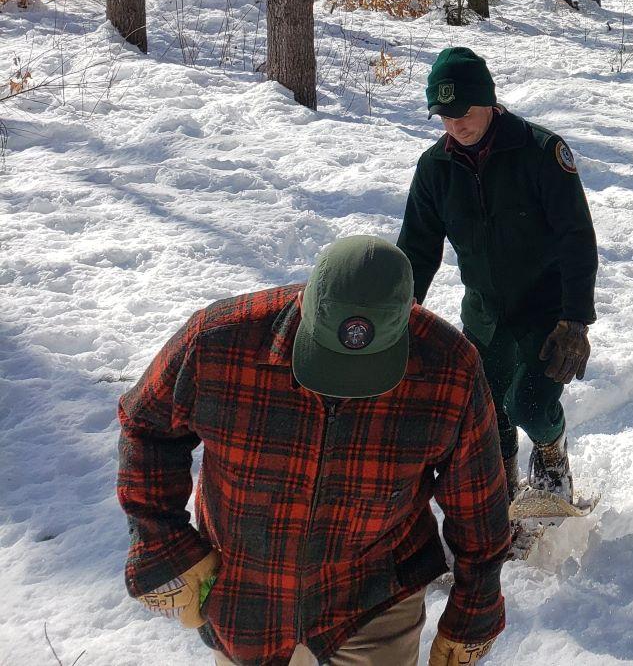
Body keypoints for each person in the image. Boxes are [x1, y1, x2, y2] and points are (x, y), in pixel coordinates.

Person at [118, 236, 511, 666]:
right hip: (245, 591)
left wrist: (476, 610)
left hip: (374, 593)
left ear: (406, 317)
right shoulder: (219, 340)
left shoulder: (449, 368)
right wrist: (163, 539)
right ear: (306, 303)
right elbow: (146, 425)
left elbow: (479, 504)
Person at [398, 47, 598, 511]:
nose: (455, 125)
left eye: (463, 112)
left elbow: (576, 238)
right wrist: (400, 317)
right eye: (442, 116)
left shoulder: (541, 153)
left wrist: (575, 320)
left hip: (546, 314)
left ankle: (552, 454)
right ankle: (503, 490)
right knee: (486, 414)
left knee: (529, 405)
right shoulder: (435, 170)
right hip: (486, 314)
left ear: (487, 99)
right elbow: (417, 251)